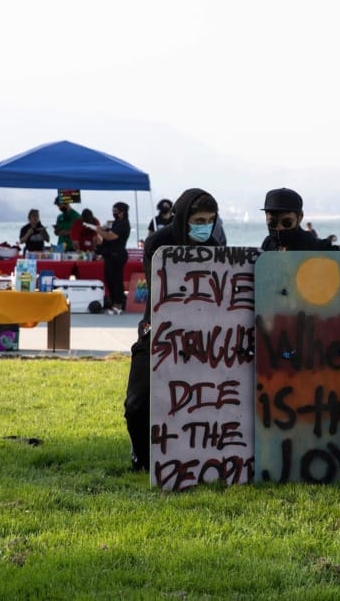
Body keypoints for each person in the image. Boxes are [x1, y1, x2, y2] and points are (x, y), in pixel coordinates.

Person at [124, 188, 222, 471]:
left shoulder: (212, 246)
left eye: (210, 221)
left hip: (199, 335)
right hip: (155, 331)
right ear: (182, 218)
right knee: (137, 404)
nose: (204, 227)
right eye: (199, 221)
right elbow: (160, 288)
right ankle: (142, 456)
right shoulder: (158, 242)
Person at [260, 187, 336, 251]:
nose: (279, 228)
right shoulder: (268, 243)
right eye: (272, 223)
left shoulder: (314, 246)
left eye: (287, 222)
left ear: (300, 217)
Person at [95, 202, 131, 314]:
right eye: (113, 211)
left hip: (118, 254)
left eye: (115, 211)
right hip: (109, 254)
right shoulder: (116, 223)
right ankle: (113, 302)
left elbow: (110, 236)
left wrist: (98, 230)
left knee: (116, 280)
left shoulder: (123, 224)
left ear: (122, 212)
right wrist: (103, 227)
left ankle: (118, 304)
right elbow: (106, 232)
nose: (113, 213)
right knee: (109, 278)